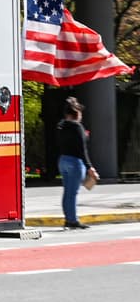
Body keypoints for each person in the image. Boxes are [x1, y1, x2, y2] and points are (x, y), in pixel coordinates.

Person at [57, 96, 97, 230]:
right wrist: (90, 167)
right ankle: (72, 221)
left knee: (67, 192)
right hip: (75, 162)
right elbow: (82, 149)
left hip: (63, 161)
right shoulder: (77, 127)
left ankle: (68, 219)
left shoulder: (61, 125)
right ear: (76, 113)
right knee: (73, 193)